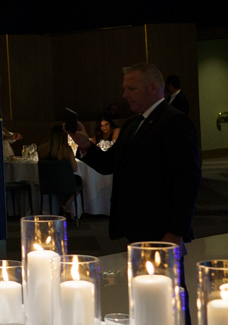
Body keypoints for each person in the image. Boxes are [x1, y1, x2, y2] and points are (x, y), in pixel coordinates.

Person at [69, 62, 200, 245]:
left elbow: (187, 182)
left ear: (153, 88)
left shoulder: (175, 122)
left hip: (161, 227)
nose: (125, 95)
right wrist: (85, 145)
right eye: (125, 89)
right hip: (135, 226)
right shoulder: (132, 124)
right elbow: (109, 163)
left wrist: (176, 232)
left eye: (131, 88)